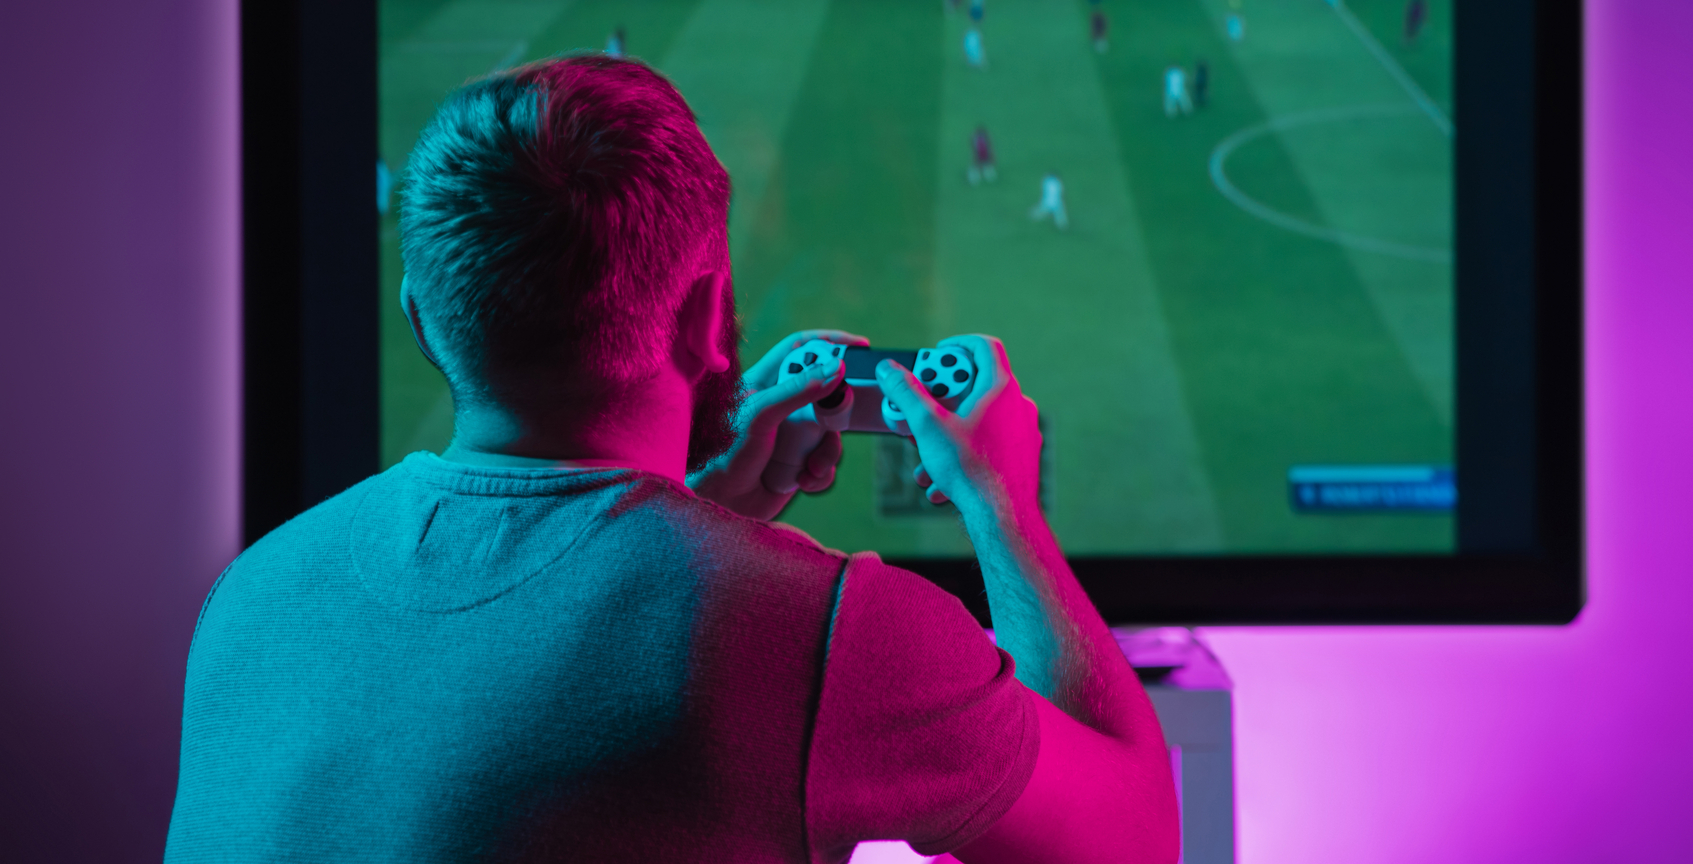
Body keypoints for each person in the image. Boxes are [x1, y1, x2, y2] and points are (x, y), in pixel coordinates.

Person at [166, 56, 1176, 864]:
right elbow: (1132, 841)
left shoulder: (251, 595)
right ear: (700, 315)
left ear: (422, 321)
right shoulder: (827, 634)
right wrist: (1001, 502)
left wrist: (703, 512)